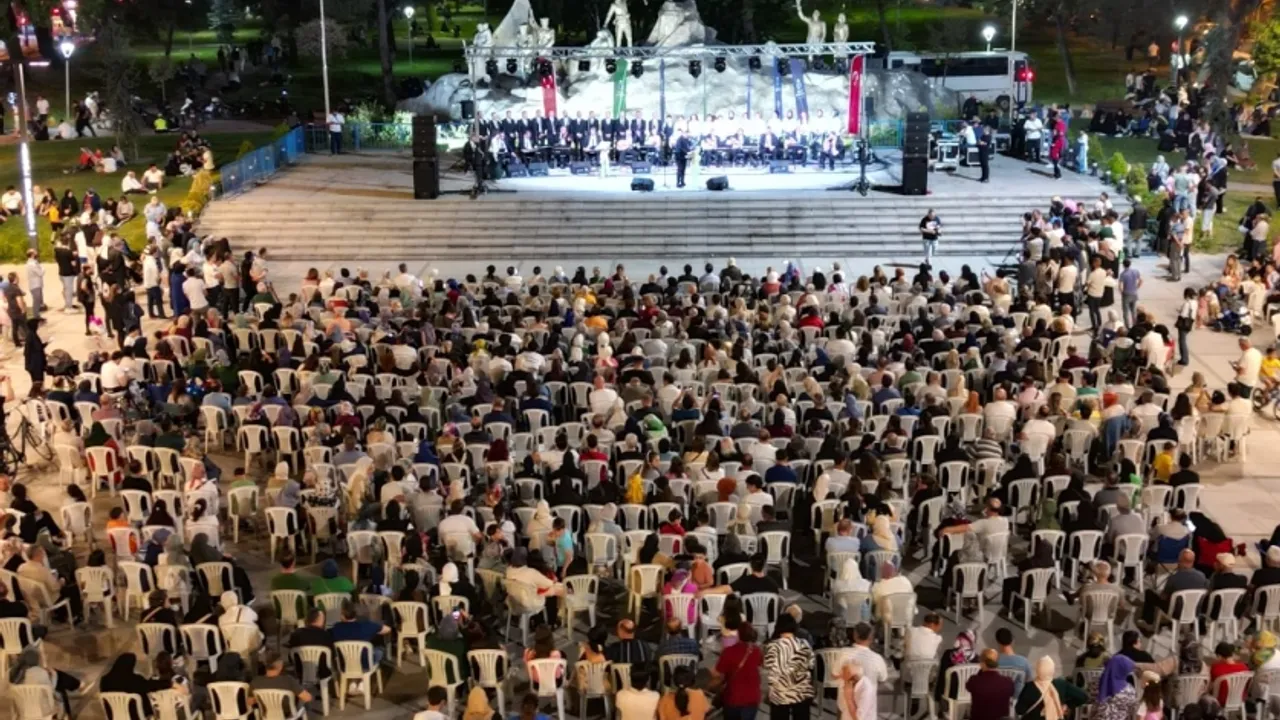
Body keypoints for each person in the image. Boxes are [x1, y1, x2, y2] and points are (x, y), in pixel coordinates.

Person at [763, 613, 815, 720]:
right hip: (801, 692)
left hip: (779, 693)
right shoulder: (804, 643)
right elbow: (811, 664)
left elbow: (768, 666)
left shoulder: (773, 646)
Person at [712, 624, 763, 720]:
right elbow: (759, 665)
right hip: (752, 698)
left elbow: (717, 673)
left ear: (738, 635)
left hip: (733, 698)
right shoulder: (757, 651)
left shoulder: (728, 651)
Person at [1014, 657, 1089, 720]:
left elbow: (1019, 710)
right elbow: (1084, 696)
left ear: (1037, 669)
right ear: (1052, 670)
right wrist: (1067, 705)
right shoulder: (1061, 684)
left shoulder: (1029, 687)